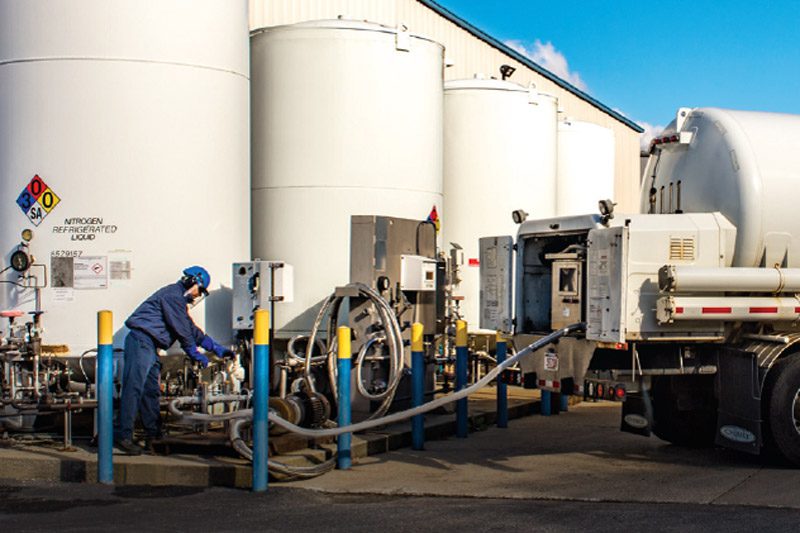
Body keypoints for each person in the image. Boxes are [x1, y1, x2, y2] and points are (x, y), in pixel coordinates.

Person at [114, 266, 233, 455]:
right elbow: (183, 332)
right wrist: (194, 353)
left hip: (150, 346)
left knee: (150, 392)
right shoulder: (173, 296)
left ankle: (153, 435)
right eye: (199, 290)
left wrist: (218, 349)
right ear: (192, 281)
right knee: (134, 387)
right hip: (141, 340)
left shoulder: (178, 302)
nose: (197, 295)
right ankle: (122, 435)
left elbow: (193, 331)